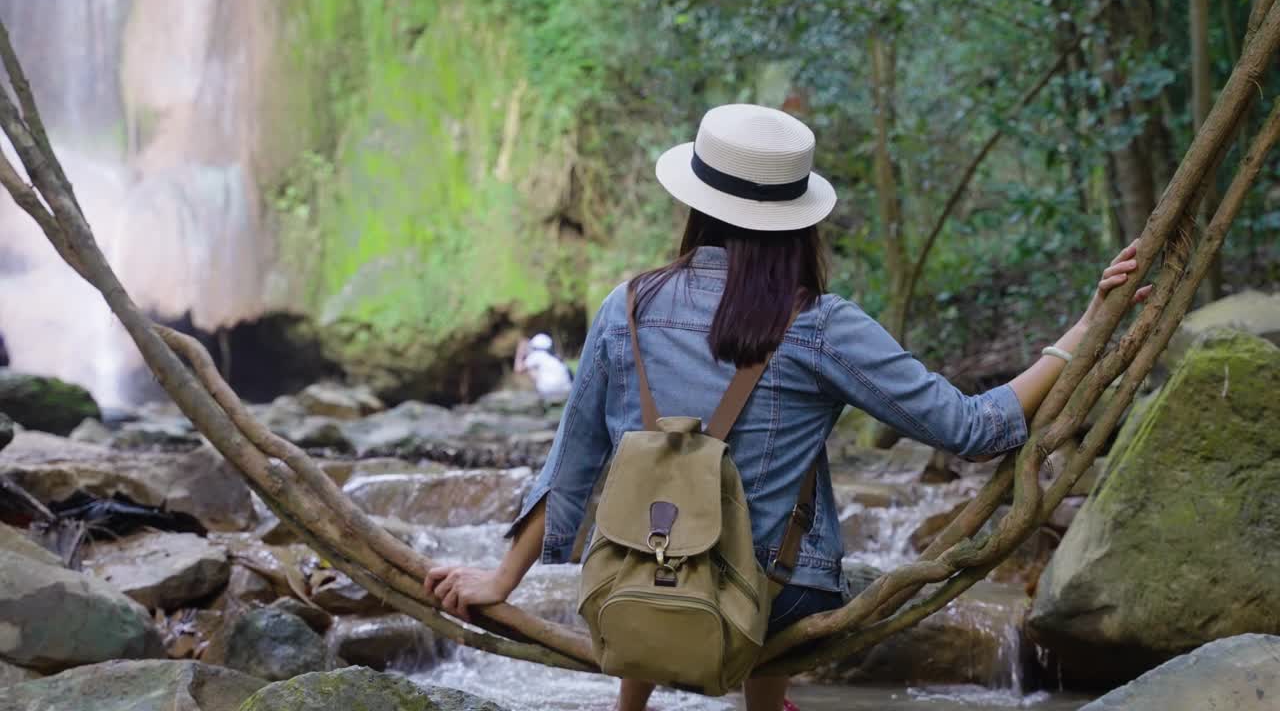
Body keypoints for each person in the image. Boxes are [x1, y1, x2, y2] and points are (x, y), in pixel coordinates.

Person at [426, 104, 1150, 710]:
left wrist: (498, 580)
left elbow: (572, 463)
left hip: (628, 586)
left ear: (696, 205)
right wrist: (1083, 331)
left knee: (661, 522)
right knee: (777, 542)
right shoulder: (822, 325)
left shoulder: (628, 306)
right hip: (772, 602)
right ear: (800, 220)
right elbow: (972, 430)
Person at [514, 332, 574, 404]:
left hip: (550, 390)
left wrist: (520, 352)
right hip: (567, 388)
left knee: (531, 370)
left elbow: (518, 369)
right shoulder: (555, 356)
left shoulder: (537, 355)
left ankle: (540, 399)